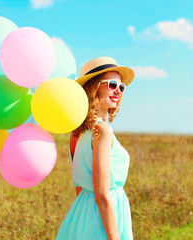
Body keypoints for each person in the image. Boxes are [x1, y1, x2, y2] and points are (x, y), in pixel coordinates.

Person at [55, 57, 135, 240]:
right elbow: (102, 194)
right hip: (103, 215)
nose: (118, 91)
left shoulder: (77, 132)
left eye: (121, 87)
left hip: (83, 212)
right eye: (112, 84)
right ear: (94, 87)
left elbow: (78, 187)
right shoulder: (103, 131)